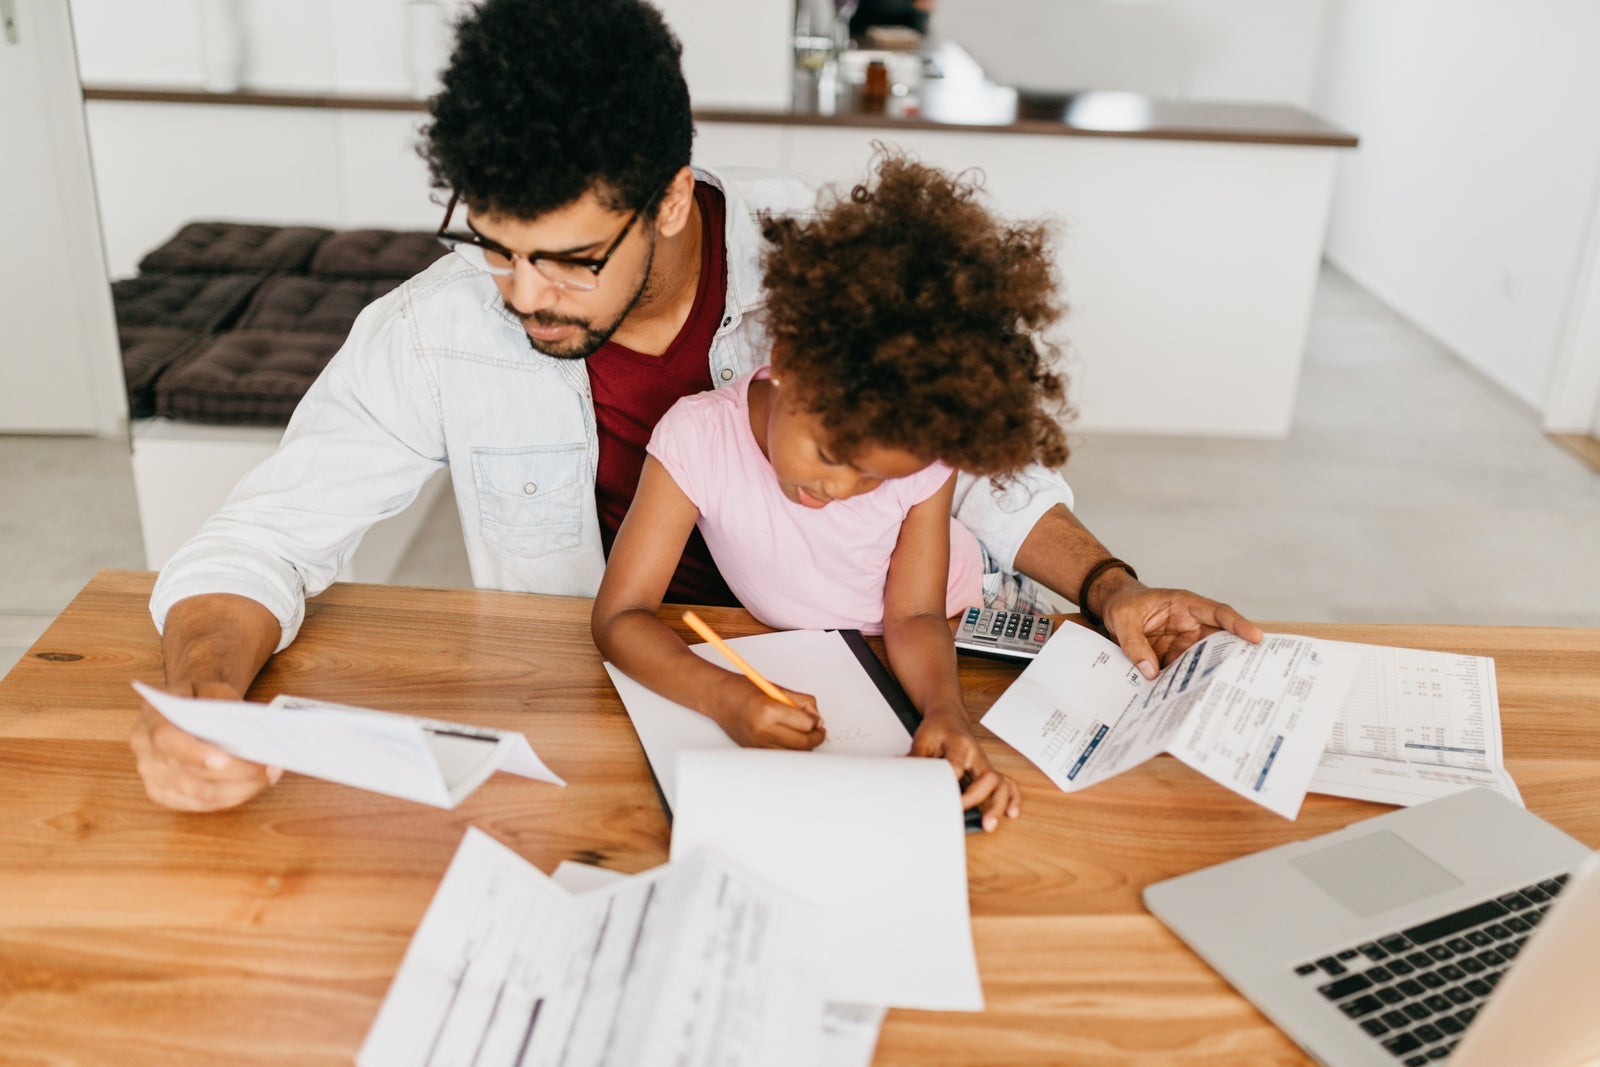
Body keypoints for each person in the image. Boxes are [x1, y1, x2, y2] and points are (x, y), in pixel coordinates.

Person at [130, 0, 1260, 813]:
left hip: (867, 667)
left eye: (570, 257)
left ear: (670, 198)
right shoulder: (433, 332)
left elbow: (981, 469)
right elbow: (261, 539)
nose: (525, 297)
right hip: (620, 688)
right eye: (495, 246)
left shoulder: (824, 261)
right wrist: (204, 699)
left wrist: (1112, 587)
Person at [593, 153, 1068, 831]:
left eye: (876, 477)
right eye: (828, 453)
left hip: (971, 614)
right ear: (785, 362)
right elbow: (619, 616)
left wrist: (944, 713)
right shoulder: (695, 440)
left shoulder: (923, 452)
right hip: (840, 652)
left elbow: (915, 616)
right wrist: (724, 698)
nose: (842, 489)